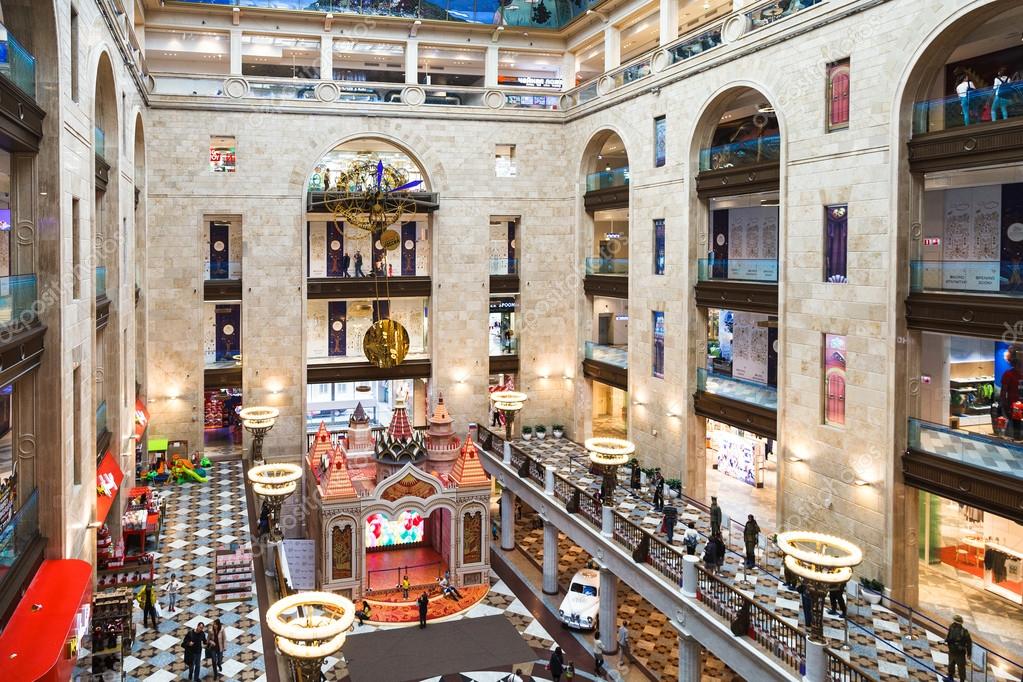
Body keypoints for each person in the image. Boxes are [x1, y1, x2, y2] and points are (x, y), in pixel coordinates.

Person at [945, 614, 972, 682]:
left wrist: (969, 653)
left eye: (955, 622)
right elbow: (949, 636)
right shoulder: (951, 627)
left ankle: (962, 680)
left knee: (961, 668)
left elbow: (969, 643)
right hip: (951, 651)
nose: (953, 623)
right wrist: (947, 641)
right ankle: (950, 677)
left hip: (960, 653)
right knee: (950, 665)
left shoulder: (964, 632)